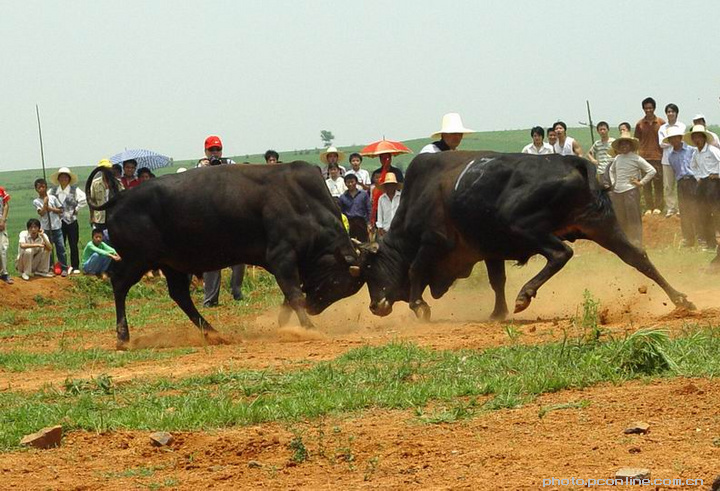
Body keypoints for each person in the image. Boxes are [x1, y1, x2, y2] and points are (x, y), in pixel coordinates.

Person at [197, 135, 245, 306]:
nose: (215, 153)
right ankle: (210, 299)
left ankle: (236, 289)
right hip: (210, 218)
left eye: (218, 149)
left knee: (241, 255)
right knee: (211, 259)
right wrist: (205, 168)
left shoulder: (230, 164)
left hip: (230, 217)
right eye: (212, 150)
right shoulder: (200, 167)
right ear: (205, 151)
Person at [608, 132, 656, 248]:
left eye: (626, 144)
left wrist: (641, 183)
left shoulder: (636, 158)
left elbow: (652, 171)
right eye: (622, 145)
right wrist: (613, 182)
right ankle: (625, 241)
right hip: (618, 192)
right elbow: (611, 171)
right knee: (620, 217)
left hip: (631, 191)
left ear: (630, 146)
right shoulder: (617, 158)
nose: (624, 147)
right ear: (619, 147)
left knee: (633, 217)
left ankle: (637, 242)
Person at [687, 125, 720, 251]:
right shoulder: (696, 153)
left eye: (699, 136)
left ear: (704, 138)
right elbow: (692, 166)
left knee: (716, 211)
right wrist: (698, 177)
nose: (697, 140)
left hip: (714, 182)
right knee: (703, 212)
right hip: (703, 182)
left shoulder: (712, 150)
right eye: (694, 137)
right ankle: (710, 243)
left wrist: (717, 175)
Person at [663, 127, 698, 247]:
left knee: (696, 209)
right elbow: (675, 171)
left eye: (676, 137)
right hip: (681, 183)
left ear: (680, 137)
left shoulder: (691, 150)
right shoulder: (671, 156)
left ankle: (701, 237)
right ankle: (688, 239)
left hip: (693, 181)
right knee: (684, 211)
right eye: (671, 138)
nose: (674, 140)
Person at [49, 167, 87, 275]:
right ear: (59, 179)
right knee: (60, 245)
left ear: (69, 179)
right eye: (62, 177)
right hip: (58, 222)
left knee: (73, 244)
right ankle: (62, 266)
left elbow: (84, 199)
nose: (64, 179)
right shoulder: (52, 191)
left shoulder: (75, 190)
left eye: (66, 177)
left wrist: (77, 209)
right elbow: (47, 201)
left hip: (72, 221)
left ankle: (75, 266)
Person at [634, 97, 665, 215]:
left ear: (654, 108)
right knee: (646, 184)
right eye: (646, 108)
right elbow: (637, 140)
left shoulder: (661, 123)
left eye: (650, 108)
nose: (648, 110)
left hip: (658, 157)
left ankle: (659, 207)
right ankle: (648, 207)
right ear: (643, 109)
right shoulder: (640, 124)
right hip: (644, 158)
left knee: (658, 183)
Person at [33, 178, 67, 277]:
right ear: (36, 189)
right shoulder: (36, 201)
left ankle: (64, 267)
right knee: (49, 249)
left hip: (57, 227)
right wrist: (44, 203)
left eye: (43, 186)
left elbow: (61, 210)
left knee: (61, 248)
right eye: (39, 187)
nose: (41, 189)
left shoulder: (53, 198)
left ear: (46, 187)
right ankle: (51, 267)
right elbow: (42, 213)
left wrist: (50, 208)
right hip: (46, 228)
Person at [658, 103, 685, 217]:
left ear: (676, 113)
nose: (670, 113)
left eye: (672, 111)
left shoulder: (681, 126)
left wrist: (669, 141)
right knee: (668, 185)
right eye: (668, 112)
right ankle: (671, 208)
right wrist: (673, 142)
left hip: (680, 158)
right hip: (667, 160)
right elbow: (661, 143)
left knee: (681, 184)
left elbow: (682, 141)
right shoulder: (662, 128)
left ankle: (681, 208)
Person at [89, 159, 123, 239]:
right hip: (100, 217)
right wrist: (92, 217)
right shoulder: (95, 183)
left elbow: (122, 198)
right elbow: (92, 201)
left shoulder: (117, 183)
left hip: (113, 216)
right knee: (100, 238)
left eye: (108, 168)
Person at [338, 173, 372, 241]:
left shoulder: (363, 194)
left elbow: (369, 209)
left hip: (361, 222)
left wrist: (369, 223)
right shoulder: (342, 197)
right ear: (345, 184)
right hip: (349, 222)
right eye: (348, 182)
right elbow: (342, 212)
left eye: (352, 182)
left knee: (364, 243)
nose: (350, 184)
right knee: (350, 243)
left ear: (356, 182)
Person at [0, 183, 12, 284]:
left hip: (0, 222)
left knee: (2, 248)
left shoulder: (1, 190)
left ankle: (4, 273)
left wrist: (3, 220)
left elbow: (6, 205)